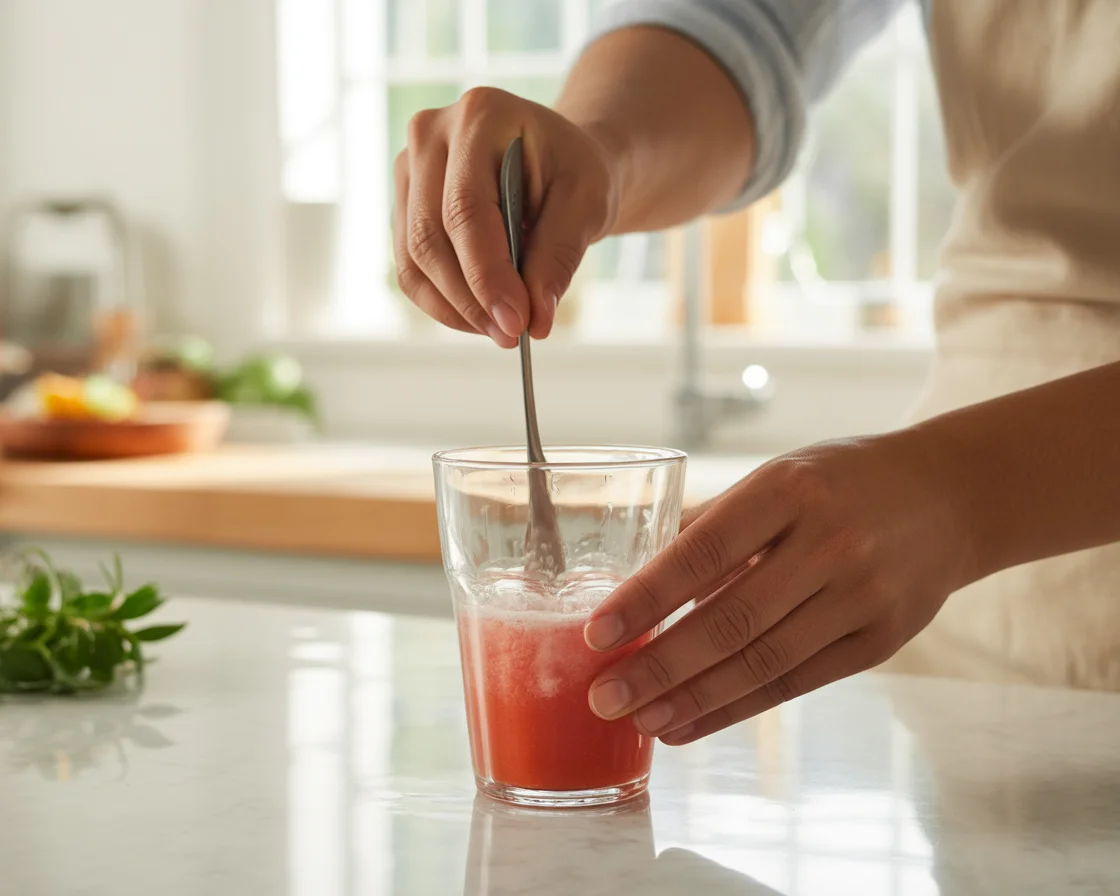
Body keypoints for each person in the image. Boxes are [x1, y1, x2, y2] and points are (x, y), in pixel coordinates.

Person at [394, 0, 1120, 746]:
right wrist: (601, 152)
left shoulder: (956, 496)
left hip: (969, 512)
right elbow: (740, 24)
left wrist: (962, 497)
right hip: (981, 662)